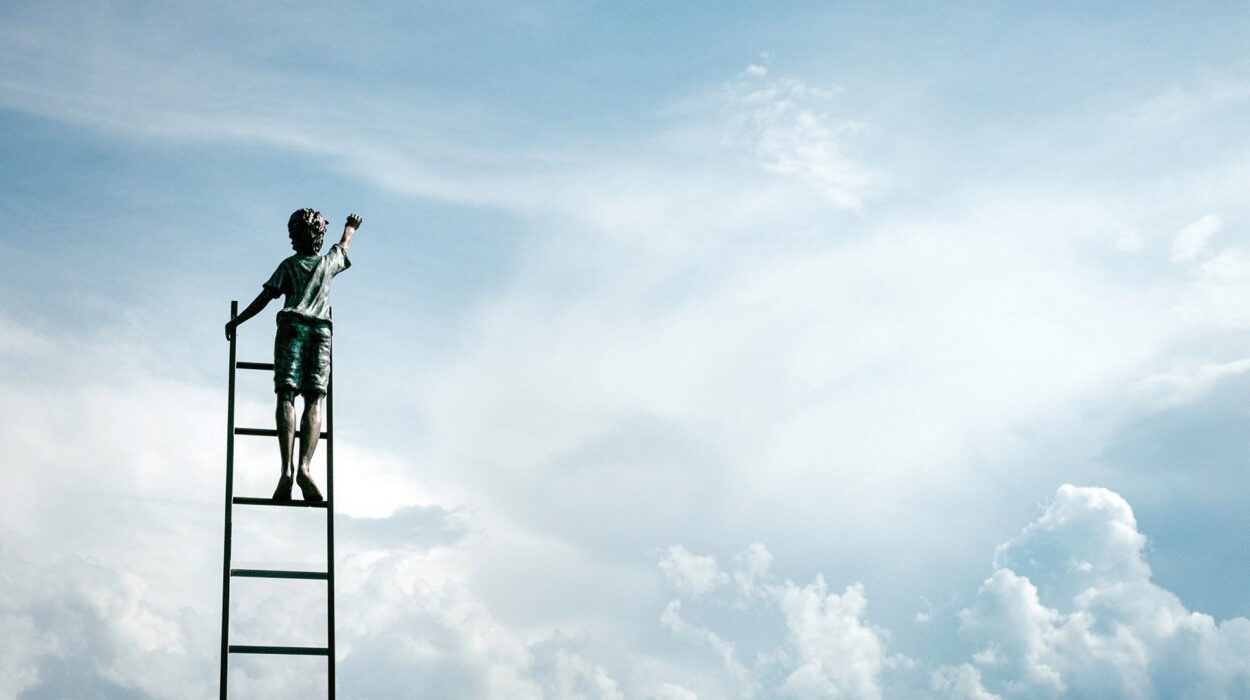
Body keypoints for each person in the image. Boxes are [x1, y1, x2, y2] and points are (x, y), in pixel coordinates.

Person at [225, 208, 363, 501]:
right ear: (318, 237)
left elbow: (264, 298)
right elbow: (344, 245)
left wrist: (238, 322)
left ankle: (286, 470)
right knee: (315, 399)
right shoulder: (327, 263)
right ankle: (304, 467)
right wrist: (350, 228)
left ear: (298, 236)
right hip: (320, 332)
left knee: (286, 395)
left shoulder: (288, 266)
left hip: (291, 329)